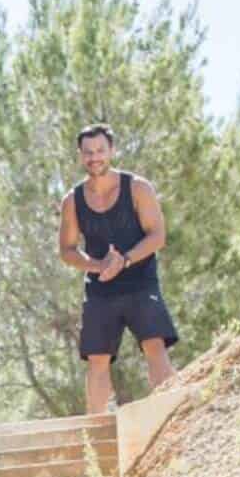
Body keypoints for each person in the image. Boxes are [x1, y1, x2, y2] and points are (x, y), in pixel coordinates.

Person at [58, 123, 178, 415]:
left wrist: (123, 260)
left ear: (111, 150)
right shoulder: (73, 201)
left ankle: (172, 416)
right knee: (97, 359)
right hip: (100, 288)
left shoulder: (137, 188)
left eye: (100, 150)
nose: (94, 157)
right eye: (88, 152)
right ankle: (95, 430)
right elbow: (67, 250)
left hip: (140, 281)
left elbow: (157, 236)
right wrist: (99, 266)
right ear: (80, 155)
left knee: (154, 346)